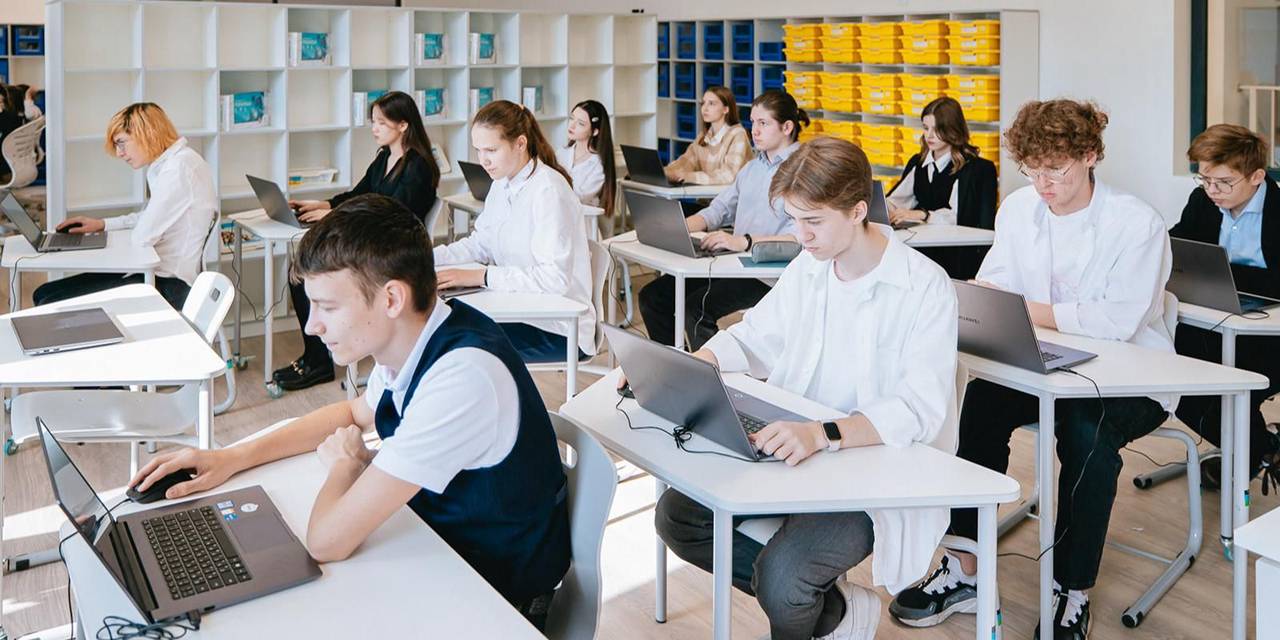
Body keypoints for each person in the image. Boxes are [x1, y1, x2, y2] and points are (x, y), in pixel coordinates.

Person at [128, 195, 571, 629]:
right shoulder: (417, 334)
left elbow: (327, 541)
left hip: (493, 600)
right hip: (440, 550)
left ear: (391, 299)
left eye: (328, 307)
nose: (311, 325)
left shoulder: (462, 376)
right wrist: (231, 457)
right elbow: (353, 413)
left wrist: (346, 466)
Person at [649, 136, 960, 640]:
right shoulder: (810, 265)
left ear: (857, 210)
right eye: (793, 219)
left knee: (784, 577)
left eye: (812, 221)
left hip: (873, 468)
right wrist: (693, 363)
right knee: (677, 517)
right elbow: (756, 336)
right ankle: (832, 611)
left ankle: (796, 592)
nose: (800, 235)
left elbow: (918, 409)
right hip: (797, 445)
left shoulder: (925, 285)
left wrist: (822, 433)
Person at [889, 99, 1173, 640]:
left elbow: (1116, 321)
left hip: (1130, 376)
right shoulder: (1020, 208)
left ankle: (1071, 589)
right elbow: (996, 285)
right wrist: (997, 306)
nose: (1043, 184)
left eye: (1056, 170)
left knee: (1087, 434)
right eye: (1032, 169)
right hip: (1044, 363)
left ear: (1090, 156)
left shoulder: (1137, 222)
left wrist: (1024, 311)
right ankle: (965, 565)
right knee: (979, 407)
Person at [273, 90, 440, 391]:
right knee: (301, 275)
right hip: (373, 242)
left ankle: (319, 361)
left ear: (403, 125)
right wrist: (323, 204)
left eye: (381, 122)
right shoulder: (384, 158)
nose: (374, 128)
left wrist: (334, 215)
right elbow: (359, 195)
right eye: (373, 122)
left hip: (392, 251)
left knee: (305, 277)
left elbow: (395, 213)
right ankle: (316, 356)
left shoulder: (419, 166)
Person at [638, 89, 806, 349]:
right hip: (733, 263)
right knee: (653, 297)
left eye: (763, 123)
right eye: (753, 122)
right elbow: (718, 210)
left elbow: (799, 238)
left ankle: (711, 371)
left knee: (696, 308)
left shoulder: (804, 170)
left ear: (787, 127)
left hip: (768, 273)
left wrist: (744, 241)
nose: (754, 131)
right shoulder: (753, 168)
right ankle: (679, 365)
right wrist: (676, 229)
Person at [432, 100, 595, 363]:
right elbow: (480, 244)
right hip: (519, 308)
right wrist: (429, 258)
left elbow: (554, 279)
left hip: (558, 326)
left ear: (520, 144)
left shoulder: (548, 191)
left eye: (491, 150)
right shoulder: (502, 183)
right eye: (478, 150)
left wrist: (483, 276)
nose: (483, 160)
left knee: (457, 347)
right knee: (444, 328)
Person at [1170, 123, 1280, 489]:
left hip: (1269, 333)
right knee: (1177, 381)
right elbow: (1178, 247)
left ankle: (1249, 452)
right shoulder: (1202, 202)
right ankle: (1261, 448)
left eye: (1223, 182)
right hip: (1213, 320)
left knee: (1232, 387)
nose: (1212, 191)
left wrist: (1237, 279)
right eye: (1204, 179)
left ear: (1256, 176)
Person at [38, 102, 215, 310]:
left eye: (121, 143)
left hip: (170, 284)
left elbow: (142, 237)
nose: (119, 153)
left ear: (147, 133)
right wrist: (102, 224)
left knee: (49, 302)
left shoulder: (178, 170)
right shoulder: (173, 163)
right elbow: (148, 217)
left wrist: (124, 232)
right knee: (42, 293)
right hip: (156, 273)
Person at [887, 97, 999, 278]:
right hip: (921, 252)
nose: (929, 136)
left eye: (937, 129)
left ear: (953, 130)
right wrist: (885, 209)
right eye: (926, 128)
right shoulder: (918, 162)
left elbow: (961, 218)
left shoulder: (979, 169)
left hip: (957, 257)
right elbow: (897, 199)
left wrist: (923, 215)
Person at [663, 86, 754, 185]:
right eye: (703, 103)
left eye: (711, 103)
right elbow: (686, 162)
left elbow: (729, 175)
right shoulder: (704, 136)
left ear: (725, 109)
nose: (704, 108)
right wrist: (666, 172)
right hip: (711, 194)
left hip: (736, 195)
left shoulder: (738, 134)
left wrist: (687, 176)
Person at [556, 99, 616, 218]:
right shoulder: (561, 153)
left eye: (581, 123)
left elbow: (578, 197)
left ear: (594, 132)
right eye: (572, 118)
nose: (572, 125)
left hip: (582, 222)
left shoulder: (598, 165)